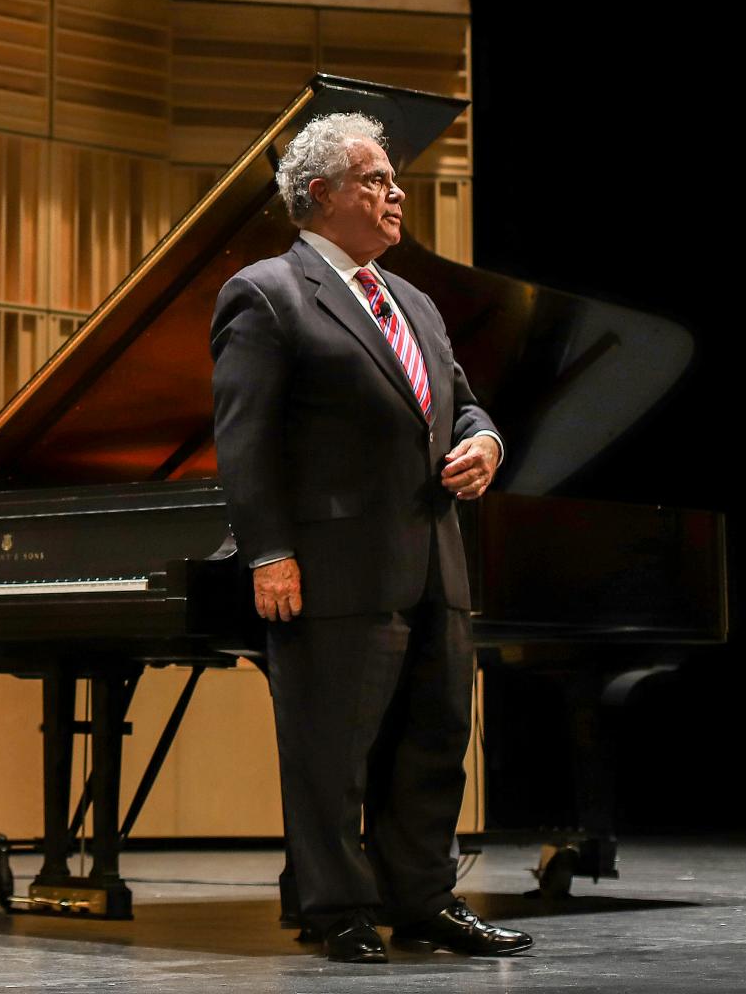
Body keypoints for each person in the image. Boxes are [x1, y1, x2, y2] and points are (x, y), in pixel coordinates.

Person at [209, 112, 534, 964]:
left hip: (434, 560)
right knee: (330, 748)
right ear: (319, 194)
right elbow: (245, 440)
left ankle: (422, 899)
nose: (396, 194)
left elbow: (460, 402)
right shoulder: (267, 293)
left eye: (394, 181)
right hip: (332, 566)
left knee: (434, 740)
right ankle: (336, 908)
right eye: (376, 179)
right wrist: (269, 552)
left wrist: (485, 442)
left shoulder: (414, 302)